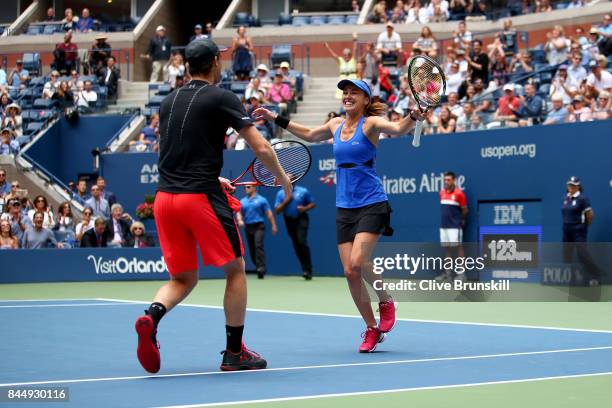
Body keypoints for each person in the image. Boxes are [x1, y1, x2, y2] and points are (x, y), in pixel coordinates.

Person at [135, 38, 292, 374]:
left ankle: (151, 316)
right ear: (214, 64)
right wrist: (282, 177)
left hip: (165, 199)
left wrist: (213, 176)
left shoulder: (169, 100)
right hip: (199, 198)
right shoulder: (222, 97)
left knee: (183, 278)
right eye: (220, 59)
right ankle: (234, 353)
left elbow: (174, 152)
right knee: (235, 271)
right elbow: (261, 147)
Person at [253, 78, 425, 353]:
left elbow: (397, 128)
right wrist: (276, 117)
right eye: (345, 92)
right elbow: (309, 134)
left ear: (366, 100)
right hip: (344, 207)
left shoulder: (370, 124)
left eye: (354, 92)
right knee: (349, 272)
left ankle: (385, 298)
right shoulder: (334, 125)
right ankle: (371, 329)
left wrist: (412, 117)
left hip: (372, 203)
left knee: (358, 262)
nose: (347, 96)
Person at [562, 177, 600, 286]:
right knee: (567, 256)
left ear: (578, 186)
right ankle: (571, 280)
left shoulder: (583, 199)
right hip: (566, 231)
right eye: (569, 184)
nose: (570, 187)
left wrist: (584, 226)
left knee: (583, 254)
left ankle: (595, 277)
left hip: (578, 231)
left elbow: (590, 215)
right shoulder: (566, 198)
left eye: (573, 185)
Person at [274, 183, 315, 280]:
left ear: (295, 181)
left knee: (301, 241)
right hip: (288, 220)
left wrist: (305, 208)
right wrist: (286, 201)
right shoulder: (280, 193)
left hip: (301, 219)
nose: (288, 181)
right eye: (286, 179)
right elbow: (277, 210)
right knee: (296, 244)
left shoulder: (303, 191)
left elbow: (312, 203)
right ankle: (305, 269)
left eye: (291, 179)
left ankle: (308, 269)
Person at [236, 186, 277, 279]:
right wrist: (240, 220)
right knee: (252, 249)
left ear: (254, 188)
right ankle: (258, 266)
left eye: (248, 187)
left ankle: (261, 268)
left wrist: (273, 225)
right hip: (248, 227)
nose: (246, 189)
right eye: (245, 187)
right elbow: (238, 212)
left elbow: (269, 213)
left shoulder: (262, 200)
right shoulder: (242, 201)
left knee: (258, 245)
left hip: (259, 226)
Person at [435, 171, 468, 282]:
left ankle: (461, 274)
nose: (446, 182)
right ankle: (448, 273)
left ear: (454, 180)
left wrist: (460, 220)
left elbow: (465, 210)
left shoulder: (459, 194)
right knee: (447, 249)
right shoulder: (442, 193)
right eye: (445, 180)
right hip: (444, 226)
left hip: (455, 226)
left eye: (448, 180)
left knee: (459, 248)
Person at [324, 33, 358, 99]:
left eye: (348, 54)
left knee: (353, 96)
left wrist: (355, 40)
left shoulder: (352, 60)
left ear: (350, 55)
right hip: (343, 78)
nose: (346, 56)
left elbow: (355, 49)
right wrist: (327, 47)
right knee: (343, 96)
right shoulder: (341, 60)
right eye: (345, 55)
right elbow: (333, 55)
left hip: (352, 79)